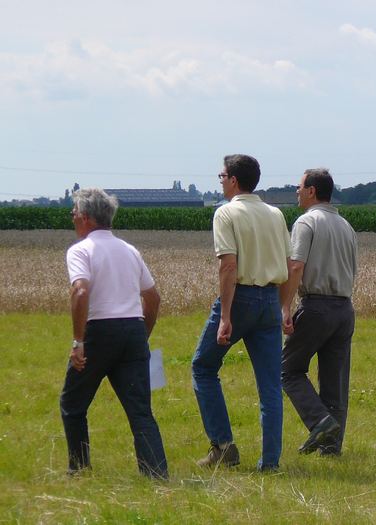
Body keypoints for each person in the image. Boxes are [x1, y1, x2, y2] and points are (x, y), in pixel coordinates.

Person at [192, 154, 291, 472]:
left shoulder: (225, 214)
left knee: (203, 368)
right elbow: (290, 265)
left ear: (234, 180)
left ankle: (223, 446)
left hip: (241, 298)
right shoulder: (275, 214)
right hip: (270, 301)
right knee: (270, 387)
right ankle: (270, 463)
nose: (220, 180)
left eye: (221, 175)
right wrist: (284, 305)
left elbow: (228, 265)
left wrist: (225, 316)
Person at [59, 188, 168, 479]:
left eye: (73, 213)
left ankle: (79, 469)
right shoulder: (129, 250)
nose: (72, 218)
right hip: (133, 328)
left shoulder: (80, 250)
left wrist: (78, 341)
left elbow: (80, 291)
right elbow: (153, 299)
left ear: (85, 217)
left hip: (99, 331)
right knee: (141, 411)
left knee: (73, 403)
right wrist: (140, 337)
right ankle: (156, 474)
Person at [280, 168, 358, 456]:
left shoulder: (306, 222)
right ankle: (331, 448)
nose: (296, 192)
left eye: (299, 187)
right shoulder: (346, 226)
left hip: (316, 306)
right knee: (335, 382)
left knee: (286, 370)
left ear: (312, 190)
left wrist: (285, 307)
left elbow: (296, 266)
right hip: (344, 308)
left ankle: (320, 422)